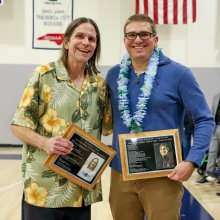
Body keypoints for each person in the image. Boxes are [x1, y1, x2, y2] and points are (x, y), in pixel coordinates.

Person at [105, 14, 214, 220]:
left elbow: (204, 120)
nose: (138, 40)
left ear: (155, 39)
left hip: (163, 174)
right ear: (124, 40)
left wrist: (192, 161)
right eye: (132, 35)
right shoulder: (114, 75)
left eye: (144, 34)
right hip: (121, 174)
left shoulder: (179, 74)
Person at [11, 17, 112, 220]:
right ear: (66, 42)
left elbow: (109, 127)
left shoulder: (99, 86)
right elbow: (18, 125)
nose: (86, 42)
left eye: (92, 39)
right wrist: (46, 143)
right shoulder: (43, 75)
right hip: (44, 189)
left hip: (81, 189)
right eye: (80, 36)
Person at [196, 93, 220, 185]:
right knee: (212, 152)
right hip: (215, 128)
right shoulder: (216, 96)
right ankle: (208, 175)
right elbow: (212, 113)